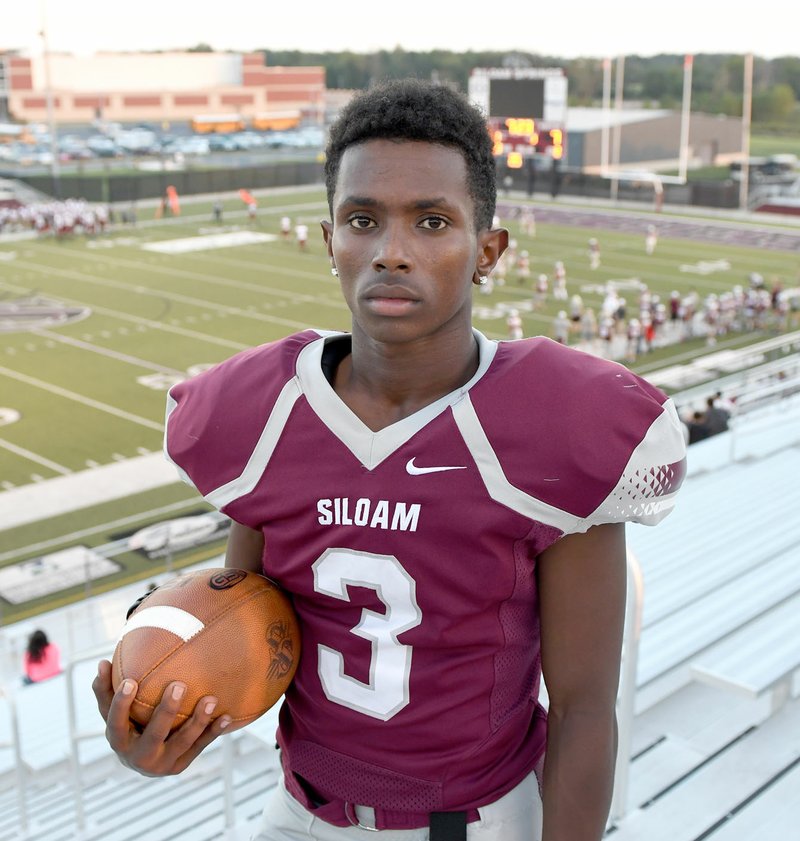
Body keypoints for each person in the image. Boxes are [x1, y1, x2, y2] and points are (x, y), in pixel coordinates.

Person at [93, 79, 687, 841]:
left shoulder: (558, 427)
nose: (391, 251)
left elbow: (580, 708)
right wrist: (162, 718)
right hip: (296, 809)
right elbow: (249, 620)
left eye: (432, 221)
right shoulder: (263, 412)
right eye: (363, 220)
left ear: (488, 250)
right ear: (330, 239)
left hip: (467, 823)